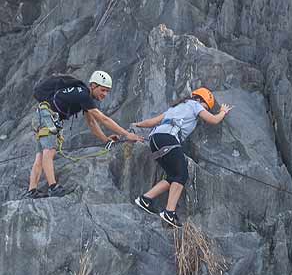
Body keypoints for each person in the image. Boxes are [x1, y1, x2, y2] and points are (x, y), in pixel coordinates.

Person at [27, 70, 143, 198]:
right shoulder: (83, 94)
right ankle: (53, 187)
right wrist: (127, 134)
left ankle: (32, 190)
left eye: (107, 91)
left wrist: (106, 140)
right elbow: (103, 119)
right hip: (47, 116)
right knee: (49, 151)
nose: (105, 94)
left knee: (41, 154)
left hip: (42, 115)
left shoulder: (82, 95)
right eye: (103, 90)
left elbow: (92, 123)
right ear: (93, 86)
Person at [132, 88, 232, 228]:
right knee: (182, 175)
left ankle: (145, 199)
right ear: (200, 100)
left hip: (155, 140)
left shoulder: (176, 107)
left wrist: (137, 125)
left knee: (174, 176)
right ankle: (169, 213)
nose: (204, 110)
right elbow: (214, 120)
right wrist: (223, 112)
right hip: (169, 139)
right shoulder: (195, 105)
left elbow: (153, 121)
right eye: (205, 107)